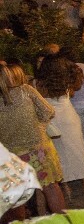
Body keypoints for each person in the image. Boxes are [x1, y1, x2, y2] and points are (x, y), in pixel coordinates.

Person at [0, 63, 66, 214]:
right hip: (38, 149)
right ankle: (65, 223)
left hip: (11, 155)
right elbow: (48, 111)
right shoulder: (26, 90)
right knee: (50, 187)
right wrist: (39, 126)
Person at [36, 55, 84, 198]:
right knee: (78, 149)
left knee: (58, 153)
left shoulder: (39, 83)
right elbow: (74, 89)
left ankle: (66, 187)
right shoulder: (65, 80)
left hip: (52, 119)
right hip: (69, 117)